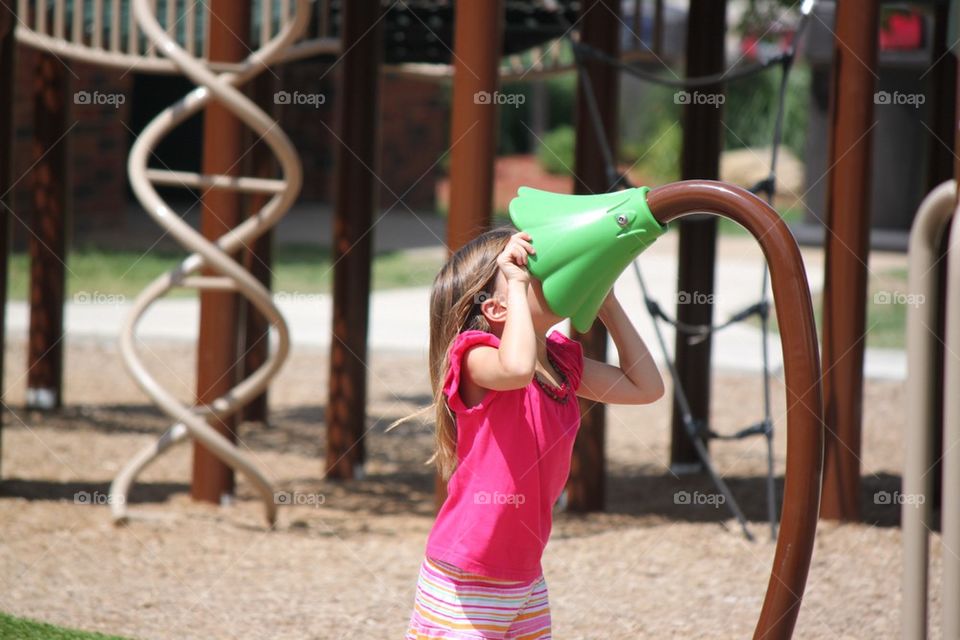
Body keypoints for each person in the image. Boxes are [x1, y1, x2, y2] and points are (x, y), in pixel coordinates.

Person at [405, 227, 664, 639]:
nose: (541, 275)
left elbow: (646, 387)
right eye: (527, 269)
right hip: (466, 577)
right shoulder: (475, 357)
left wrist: (608, 303)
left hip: (524, 574)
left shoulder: (562, 366)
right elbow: (517, 368)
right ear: (496, 308)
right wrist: (518, 280)